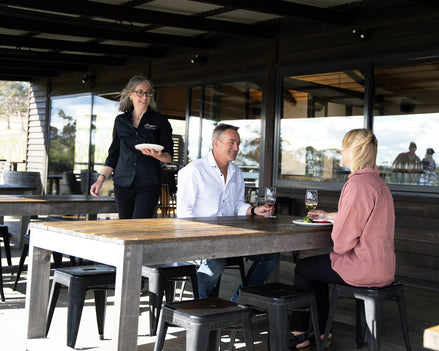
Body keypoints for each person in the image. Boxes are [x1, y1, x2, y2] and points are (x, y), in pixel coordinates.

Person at [288, 128, 395, 350]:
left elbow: (342, 244)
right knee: (316, 270)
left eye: (343, 147)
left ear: (354, 151)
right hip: (384, 267)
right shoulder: (379, 184)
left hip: (363, 267)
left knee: (304, 268)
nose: (340, 151)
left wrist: (338, 227)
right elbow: (366, 216)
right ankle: (322, 333)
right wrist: (330, 216)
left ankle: (300, 334)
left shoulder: (357, 184)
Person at [176, 123, 280, 302]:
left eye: (238, 143)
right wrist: (199, 238)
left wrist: (254, 210)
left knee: (271, 254)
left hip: (232, 238)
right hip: (202, 238)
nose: (237, 148)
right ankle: (196, 308)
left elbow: (237, 205)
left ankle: (239, 301)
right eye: (232, 143)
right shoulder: (193, 171)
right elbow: (184, 213)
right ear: (215, 143)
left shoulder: (237, 173)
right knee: (216, 262)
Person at [90, 75, 173, 219]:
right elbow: (113, 155)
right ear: (130, 94)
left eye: (148, 92)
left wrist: (157, 155)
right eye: (140, 92)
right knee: (125, 226)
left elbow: (169, 157)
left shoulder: (160, 121)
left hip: (148, 184)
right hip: (122, 183)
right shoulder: (121, 121)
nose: (144, 96)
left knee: (139, 227)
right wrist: (101, 180)